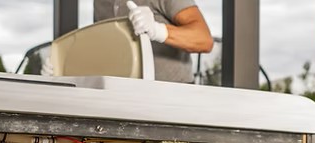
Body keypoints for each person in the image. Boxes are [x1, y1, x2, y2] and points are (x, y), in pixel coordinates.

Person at [44, 0, 213, 83]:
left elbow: (204, 39)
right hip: (124, 101)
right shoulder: (101, 3)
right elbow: (107, 52)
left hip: (174, 101)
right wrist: (62, 72)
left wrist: (157, 30)